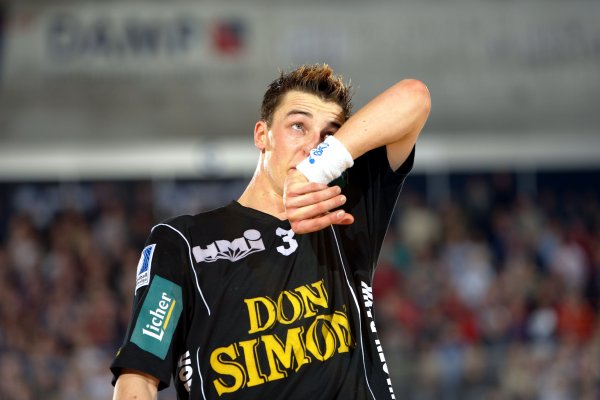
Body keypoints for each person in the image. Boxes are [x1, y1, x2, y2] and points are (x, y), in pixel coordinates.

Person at [111, 64, 431, 400]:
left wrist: (318, 168)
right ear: (262, 135)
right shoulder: (182, 241)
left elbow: (414, 98)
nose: (313, 145)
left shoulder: (345, 208)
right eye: (298, 126)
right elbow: (138, 376)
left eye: (329, 136)